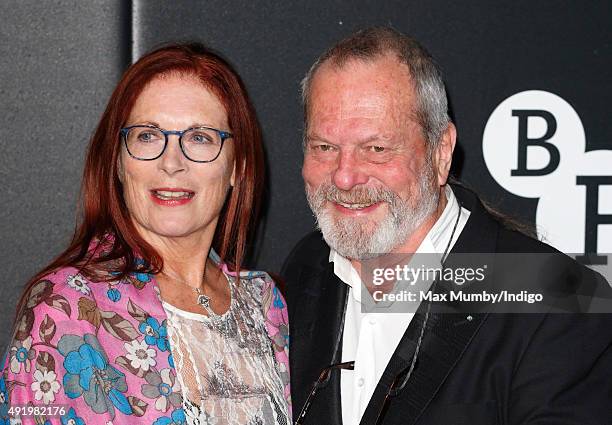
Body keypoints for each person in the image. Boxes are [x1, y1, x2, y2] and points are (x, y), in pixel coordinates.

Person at [282, 27, 612, 424]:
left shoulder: (558, 301)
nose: (345, 176)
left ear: (441, 153)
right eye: (325, 148)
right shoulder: (307, 267)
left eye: (377, 149)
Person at [1, 43, 290, 425]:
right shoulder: (65, 308)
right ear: (119, 162)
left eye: (200, 137)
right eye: (148, 136)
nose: (171, 162)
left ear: (237, 166)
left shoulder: (265, 304)